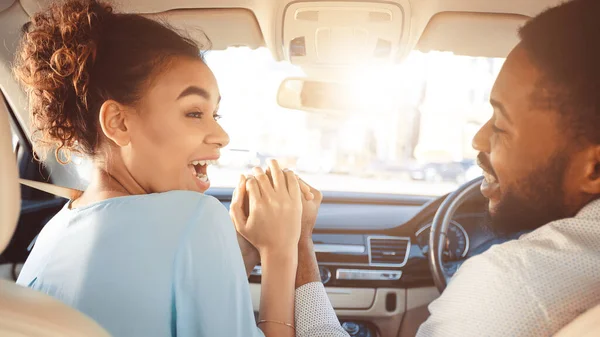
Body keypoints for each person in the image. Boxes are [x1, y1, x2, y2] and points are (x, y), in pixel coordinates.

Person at [13, 1, 348, 336]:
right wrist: (281, 249)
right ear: (117, 122)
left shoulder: (52, 234)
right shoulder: (195, 217)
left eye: (214, 115)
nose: (222, 136)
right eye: (193, 112)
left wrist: (241, 251)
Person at [417, 0, 600, 336]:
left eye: (500, 125)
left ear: (595, 169)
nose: (478, 139)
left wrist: (294, 259)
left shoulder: (507, 285)